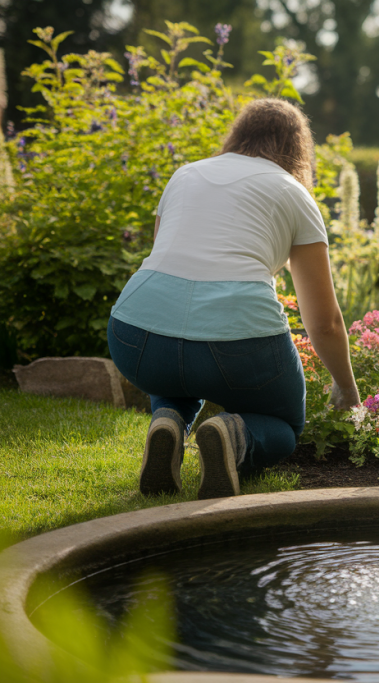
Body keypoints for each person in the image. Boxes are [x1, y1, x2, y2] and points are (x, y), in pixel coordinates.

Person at [107, 98, 360, 500]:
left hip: (134, 336)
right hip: (238, 349)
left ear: (238, 134)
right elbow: (324, 322)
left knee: (174, 353)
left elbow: (167, 259)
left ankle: (167, 421)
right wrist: (347, 389)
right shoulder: (293, 192)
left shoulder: (185, 174)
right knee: (284, 426)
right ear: (298, 149)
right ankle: (232, 435)